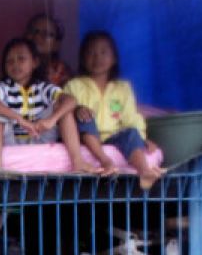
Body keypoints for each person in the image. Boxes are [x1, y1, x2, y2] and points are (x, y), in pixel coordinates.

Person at [60, 30, 163, 190]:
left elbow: (131, 118)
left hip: (113, 136)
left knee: (131, 132)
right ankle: (105, 161)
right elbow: (63, 109)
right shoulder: (74, 85)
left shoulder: (123, 88)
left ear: (114, 58)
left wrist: (142, 139)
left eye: (103, 52)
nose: (97, 57)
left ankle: (144, 173)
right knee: (84, 115)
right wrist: (77, 110)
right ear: (82, 58)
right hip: (86, 136)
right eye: (91, 53)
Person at [0, 37, 77, 169]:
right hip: (11, 141)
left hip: (41, 138)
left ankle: (77, 161)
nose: (15, 64)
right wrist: (19, 118)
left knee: (63, 108)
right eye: (9, 61)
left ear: (35, 62)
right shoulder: (2, 87)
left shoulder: (43, 87)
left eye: (21, 58)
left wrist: (51, 120)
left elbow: (71, 100)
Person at [25, 13, 72, 87]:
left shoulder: (61, 72)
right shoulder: (18, 65)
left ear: (56, 45)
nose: (37, 36)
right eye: (34, 31)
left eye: (45, 33)